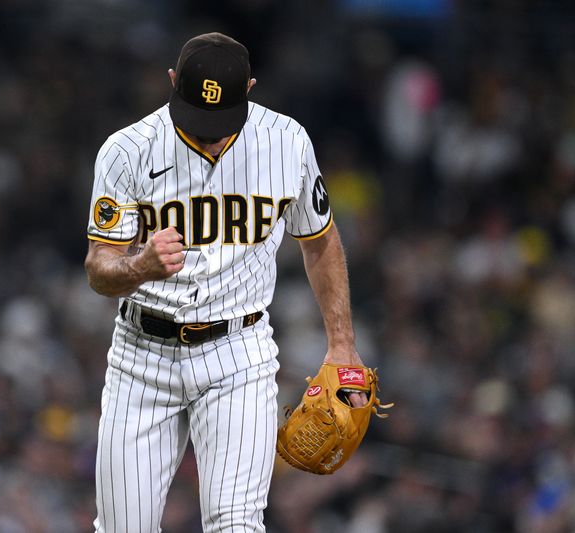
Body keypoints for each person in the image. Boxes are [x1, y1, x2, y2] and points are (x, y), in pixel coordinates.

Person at [84, 32, 367, 533]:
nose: (209, 133)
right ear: (172, 83)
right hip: (141, 354)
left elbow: (318, 240)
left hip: (238, 353)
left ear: (251, 90)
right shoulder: (126, 151)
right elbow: (98, 268)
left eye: (220, 122)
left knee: (236, 524)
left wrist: (342, 344)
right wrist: (138, 268)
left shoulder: (286, 142)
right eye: (195, 116)